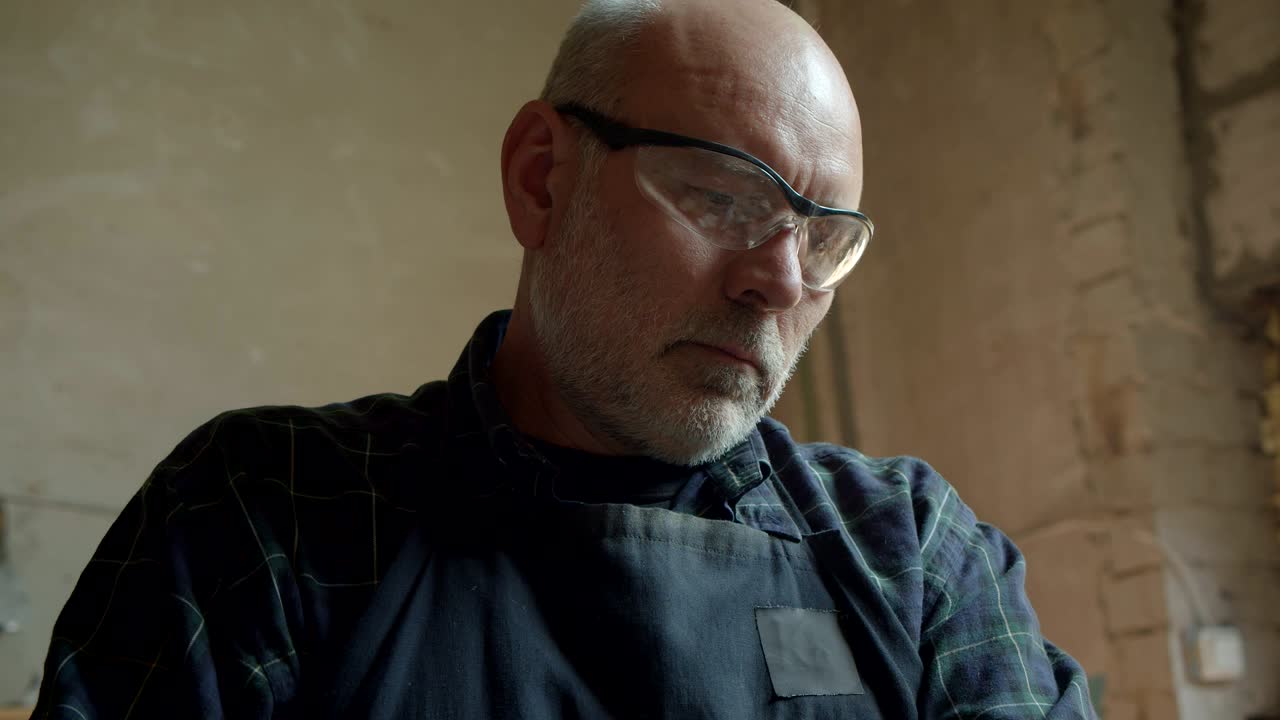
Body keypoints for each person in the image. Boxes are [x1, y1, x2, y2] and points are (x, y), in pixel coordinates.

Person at [34, 0, 1098, 718]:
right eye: (722, 197)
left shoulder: (911, 556)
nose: (777, 281)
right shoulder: (260, 515)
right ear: (543, 180)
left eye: (821, 237)